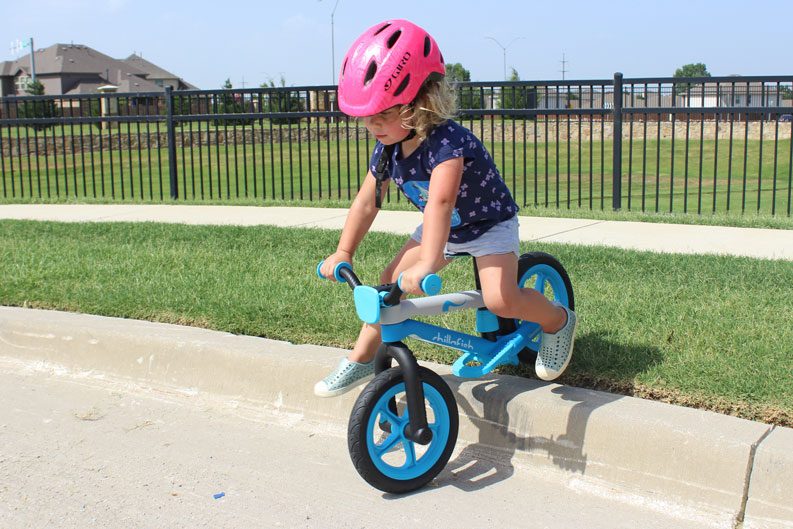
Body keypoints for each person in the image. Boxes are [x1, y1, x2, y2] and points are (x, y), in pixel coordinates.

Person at [315, 19, 577, 397]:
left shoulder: (447, 144)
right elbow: (367, 201)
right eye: (366, 116)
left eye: (383, 113)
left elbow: (440, 202)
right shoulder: (387, 149)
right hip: (446, 228)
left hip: (487, 225)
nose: (372, 124)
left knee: (501, 299)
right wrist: (344, 251)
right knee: (388, 286)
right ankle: (360, 359)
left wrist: (427, 262)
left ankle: (557, 321)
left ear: (420, 101)